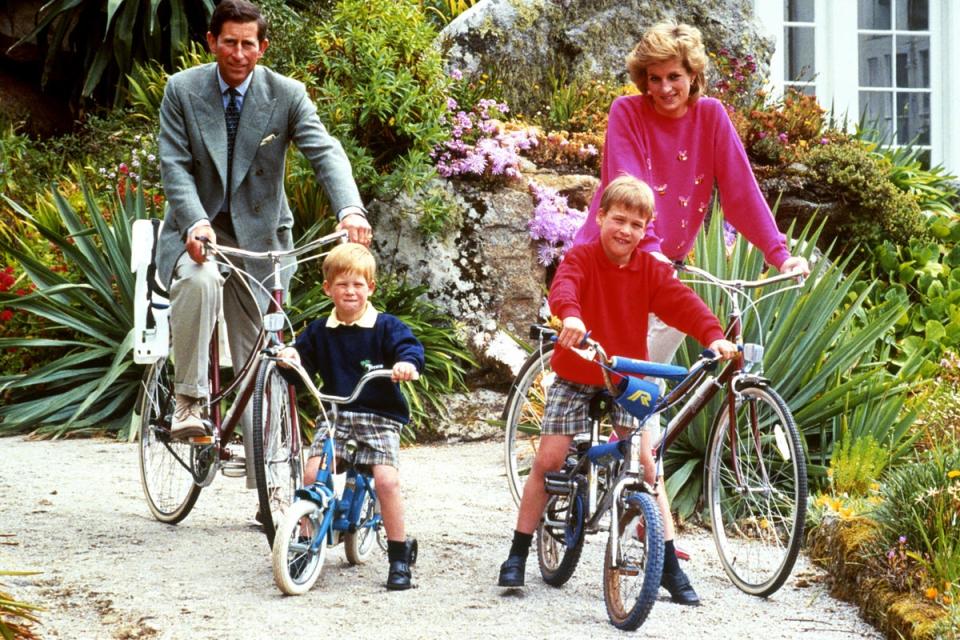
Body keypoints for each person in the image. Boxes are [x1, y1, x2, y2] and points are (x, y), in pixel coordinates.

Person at [570, 21, 810, 605]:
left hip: (664, 272)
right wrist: (650, 258)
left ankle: (639, 512)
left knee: (652, 405)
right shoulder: (626, 113)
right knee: (633, 407)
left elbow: (742, 191)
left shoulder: (713, 119)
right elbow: (625, 183)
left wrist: (778, 254)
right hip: (621, 263)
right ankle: (632, 520)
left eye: (673, 77)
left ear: (693, 74)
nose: (663, 89)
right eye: (652, 79)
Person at [157, 0, 370, 510]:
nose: (238, 53)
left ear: (263, 46)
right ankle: (188, 400)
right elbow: (174, 165)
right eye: (228, 41)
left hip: (260, 241)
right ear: (212, 42)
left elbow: (325, 150)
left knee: (264, 353)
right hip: (199, 232)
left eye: (248, 43)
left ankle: (268, 488)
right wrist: (196, 220)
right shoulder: (183, 90)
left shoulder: (286, 95)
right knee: (201, 281)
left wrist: (350, 209)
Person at [497, 175, 738, 597]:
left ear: (645, 232)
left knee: (647, 465)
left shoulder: (649, 270)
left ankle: (666, 565)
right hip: (577, 372)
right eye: (619, 220)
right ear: (601, 216)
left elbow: (682, 304)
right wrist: (570, 316)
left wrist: (713, 335)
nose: (626, 231)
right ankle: (518, 550)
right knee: (550, 458)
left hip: (623, 377)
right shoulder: (583, 257)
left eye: (637, 225)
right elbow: (564, 288)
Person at [278, 243, 425, 591]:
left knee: (386, 481)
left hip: (379, 416)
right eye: (342, 284)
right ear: (328, 288)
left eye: (358, 284)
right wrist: (290, 358)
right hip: (336, 414)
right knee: (313, 473)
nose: (350, 291)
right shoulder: (320, 330)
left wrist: (406, 364)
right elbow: (302, 361)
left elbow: (409, 347)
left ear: (370, 288)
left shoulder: (385, 327)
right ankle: (303, 540)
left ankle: (399, 555)